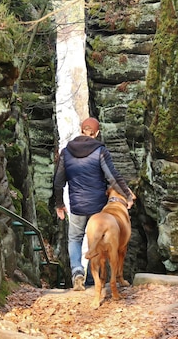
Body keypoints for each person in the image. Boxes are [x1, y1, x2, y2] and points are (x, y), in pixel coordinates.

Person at [53, 117, 135, 291]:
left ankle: (77, 272)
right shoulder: (100, 151)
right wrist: (127, 195)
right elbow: (112, 177)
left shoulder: (66, 152)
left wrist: (59, 204)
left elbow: (58, 181)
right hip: (98, 207)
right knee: (96, 241)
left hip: (77, 205)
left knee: (75, 238)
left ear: (81, 130)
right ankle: (92, 278)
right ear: (97, 133)